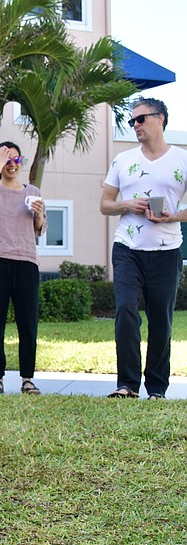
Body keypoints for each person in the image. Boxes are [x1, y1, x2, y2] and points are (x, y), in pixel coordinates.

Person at [100, 97, 187, 400]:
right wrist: (126, 204)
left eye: (141, 119)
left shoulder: (182, 159)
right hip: (128, 247)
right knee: (125, 310)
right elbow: (105, 204)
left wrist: (173, 215)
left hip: (166, 249)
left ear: (160, 118)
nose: (135, 125)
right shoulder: (123, 160)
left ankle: (157, 389)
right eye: (132, 121)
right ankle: (127, 384)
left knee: (161, 318)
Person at [0, 141, 48, 395]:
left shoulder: (32, 190)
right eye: (7, 160)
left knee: (28, 324)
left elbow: (40, 228)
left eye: (15, 160)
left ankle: (27, 378)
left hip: (26, 262)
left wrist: (38, 214)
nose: (11, 165)